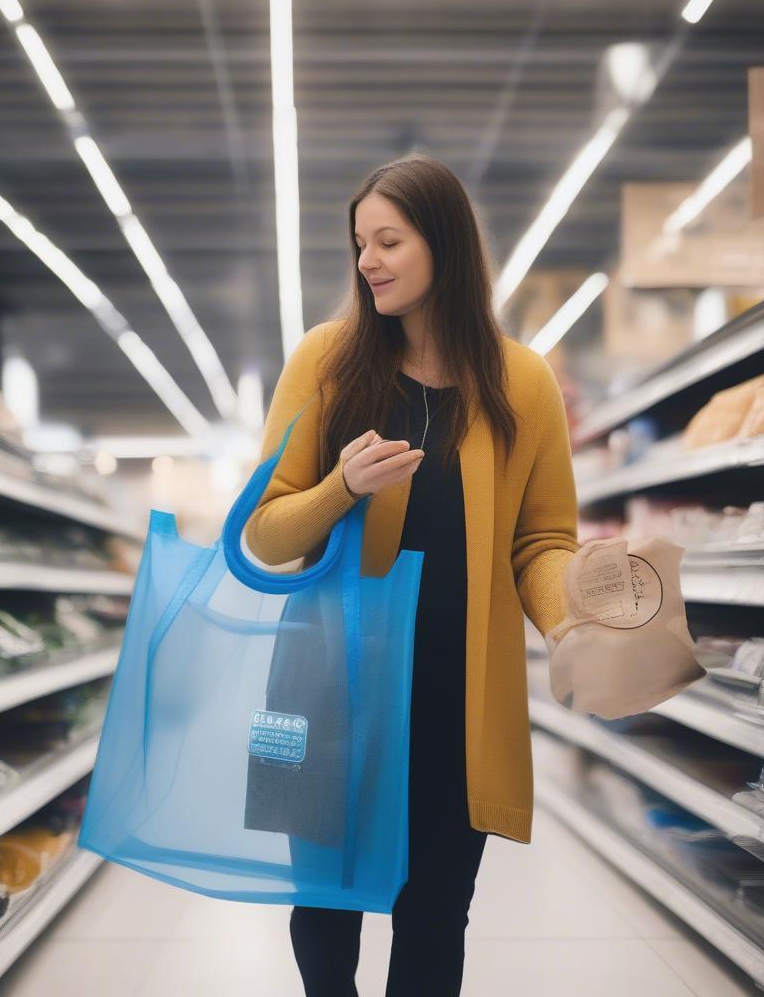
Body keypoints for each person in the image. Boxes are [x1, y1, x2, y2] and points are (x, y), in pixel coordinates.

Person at [244, 154, 580, 997]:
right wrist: (340, 487)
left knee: (436, 914)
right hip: (328, 691)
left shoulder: (523, 382)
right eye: (361, 243)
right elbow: (264, 531)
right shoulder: (326, 362)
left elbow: (542, 540)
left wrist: (577, 617)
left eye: (389, 240)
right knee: (325, 907)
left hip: (455, 701)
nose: (368, 261)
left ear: (446, 246)